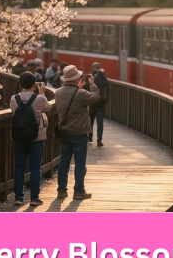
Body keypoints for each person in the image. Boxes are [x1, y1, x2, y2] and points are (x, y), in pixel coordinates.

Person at [53, 65, 100, 200]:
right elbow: (95, 97)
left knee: (64, 162)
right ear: (76, 79)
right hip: (79, 133)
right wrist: (92, 84)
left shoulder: (58, 93)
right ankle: (79, 190)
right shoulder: (81, 93)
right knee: (80, 163)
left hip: (65, 132)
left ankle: (61, 190)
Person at [11, 73, 50, 207]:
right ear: (34, 84)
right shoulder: (39, 98)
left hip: (19, 137)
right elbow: (48, 108)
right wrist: (42, 93)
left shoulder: (14, 98)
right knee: (35, 168)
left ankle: (18, 197)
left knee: (19, 168)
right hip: (36, 137)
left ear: (20, 84)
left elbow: (13, 112)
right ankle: (34, 198)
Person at [88, 62, 109, 146]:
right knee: (100, 122)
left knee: (90, 120)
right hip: (101, 103)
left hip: (92, 102)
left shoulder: (91, 77)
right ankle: (99, 139)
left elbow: (87, 87)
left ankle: (89, 137)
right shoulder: (103, 78)